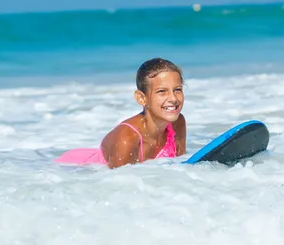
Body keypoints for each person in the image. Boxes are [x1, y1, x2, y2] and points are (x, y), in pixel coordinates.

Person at [54, 58, 186, 168]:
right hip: (74, 167)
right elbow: (117, 189)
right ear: (141, 98)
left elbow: (179, 166)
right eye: (162, 91)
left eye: (177, 89)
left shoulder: (177, 123)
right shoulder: (126, 139)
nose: (173, 98)